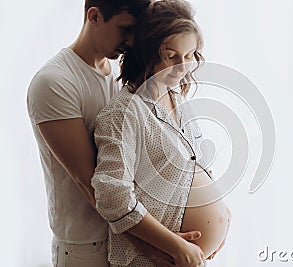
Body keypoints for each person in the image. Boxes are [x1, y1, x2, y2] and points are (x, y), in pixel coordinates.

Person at [27, 1, 201, 266]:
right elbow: (92, 185)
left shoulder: (118, 74)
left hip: (123, 240)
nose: (131, 41)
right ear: (94, 16)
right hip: (87, 246)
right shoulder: (55, 82)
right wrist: (158, 247)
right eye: (125, 29)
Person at [92, 1, 231, 266]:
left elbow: (190, 168)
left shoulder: (175, 96)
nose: (182, 66)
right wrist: (175, 245)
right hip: (150, 260)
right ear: (147, 52)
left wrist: (222, 213)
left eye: (189, 55)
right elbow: (113, 197)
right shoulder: (124, 114)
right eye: (171, 56)